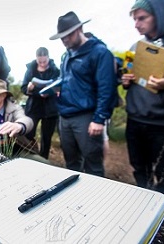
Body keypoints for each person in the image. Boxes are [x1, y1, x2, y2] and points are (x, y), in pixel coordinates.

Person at [121, 0, 164, 214]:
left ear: (159, 14)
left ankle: (162, 218)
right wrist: (126, 81)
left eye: (142, 18)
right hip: (136, 119)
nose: (137, 25)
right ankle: (145, 209)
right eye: (135, 19)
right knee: (140, 169)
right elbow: (127, 75)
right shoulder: (135, 47)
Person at [49, 11, 117, 177]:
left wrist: (99, 118)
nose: (64, 40)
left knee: (93, 164)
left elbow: (106, 88)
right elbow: (67, 80)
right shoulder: (66, 55)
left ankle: (96, 200)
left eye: (68, 35)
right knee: (71, 163)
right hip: (65, 116)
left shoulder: (100, 53)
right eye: (61, 37)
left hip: (86, 117)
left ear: (80, 29)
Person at [20, 47, 60, 159]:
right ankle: (29, 156)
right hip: (34, 107)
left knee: (46, 138)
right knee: (29, 134)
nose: (42, 64)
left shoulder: (55, 70)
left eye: (44, 61)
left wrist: (50, 92)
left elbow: (58, 87)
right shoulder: (30, 70)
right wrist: (30, 89)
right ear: (36, 59)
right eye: (40, 61)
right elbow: (23, 88)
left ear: (48, 57)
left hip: (50, 109)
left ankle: (43, 159)